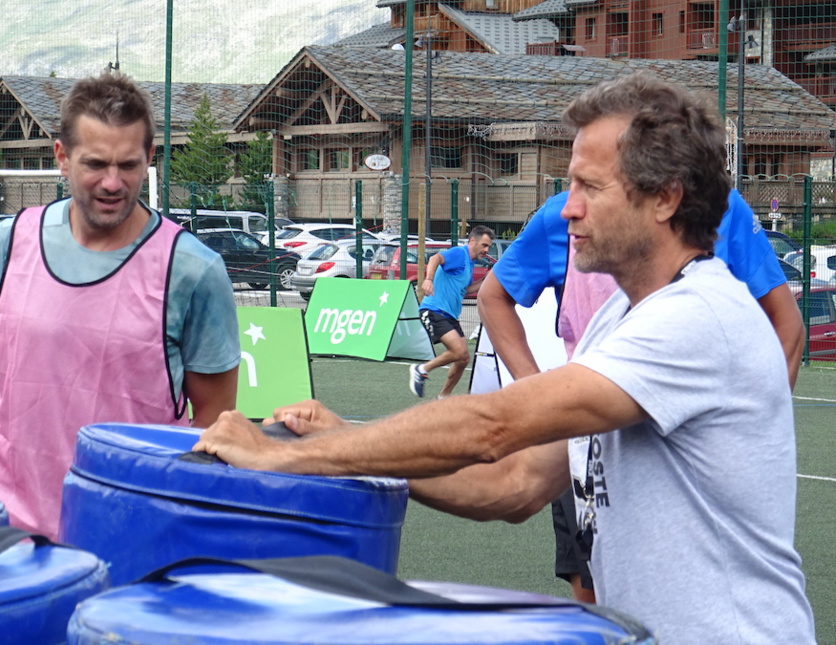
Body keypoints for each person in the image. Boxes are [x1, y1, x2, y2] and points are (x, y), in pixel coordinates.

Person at [194, 73, 816, 644]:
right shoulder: (617, 318)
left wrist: (290, 455)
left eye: (589, 187)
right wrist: (340, 444)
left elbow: (491, 428)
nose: (567, 207)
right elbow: (512, 484)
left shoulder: (697, 318)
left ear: (665, 199)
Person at [477, 187, 805, 603]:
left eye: (590, 178)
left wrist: (755, 431)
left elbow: (787, 324)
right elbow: (514, 483)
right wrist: (535, 396)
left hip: (686, 445)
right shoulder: (567, 230)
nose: (574, 207)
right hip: (588, 438)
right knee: (598, 600)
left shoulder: (718, 211)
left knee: (696, 593)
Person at [0, 72, 241, 541]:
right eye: (95, 163)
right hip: (8, 532)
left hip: (131, 534)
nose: (113, 183)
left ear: (150, 159)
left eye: (129, 165)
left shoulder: (193, 269)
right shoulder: (8, 242)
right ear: (61, 156)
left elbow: (212, 427)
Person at [408, 225, 494, 398]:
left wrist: (488, 278)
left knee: (463, 359)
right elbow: (435, 258)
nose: (486, 250)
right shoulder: (459, 254)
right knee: (459, 352)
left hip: (450, 316)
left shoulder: (469, 264)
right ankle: (421, 369)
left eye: (488, 247)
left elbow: (467, 289)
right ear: (472, 241)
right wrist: (428, 280)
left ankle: (443, 397)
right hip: (433, 310)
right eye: (484, 245)